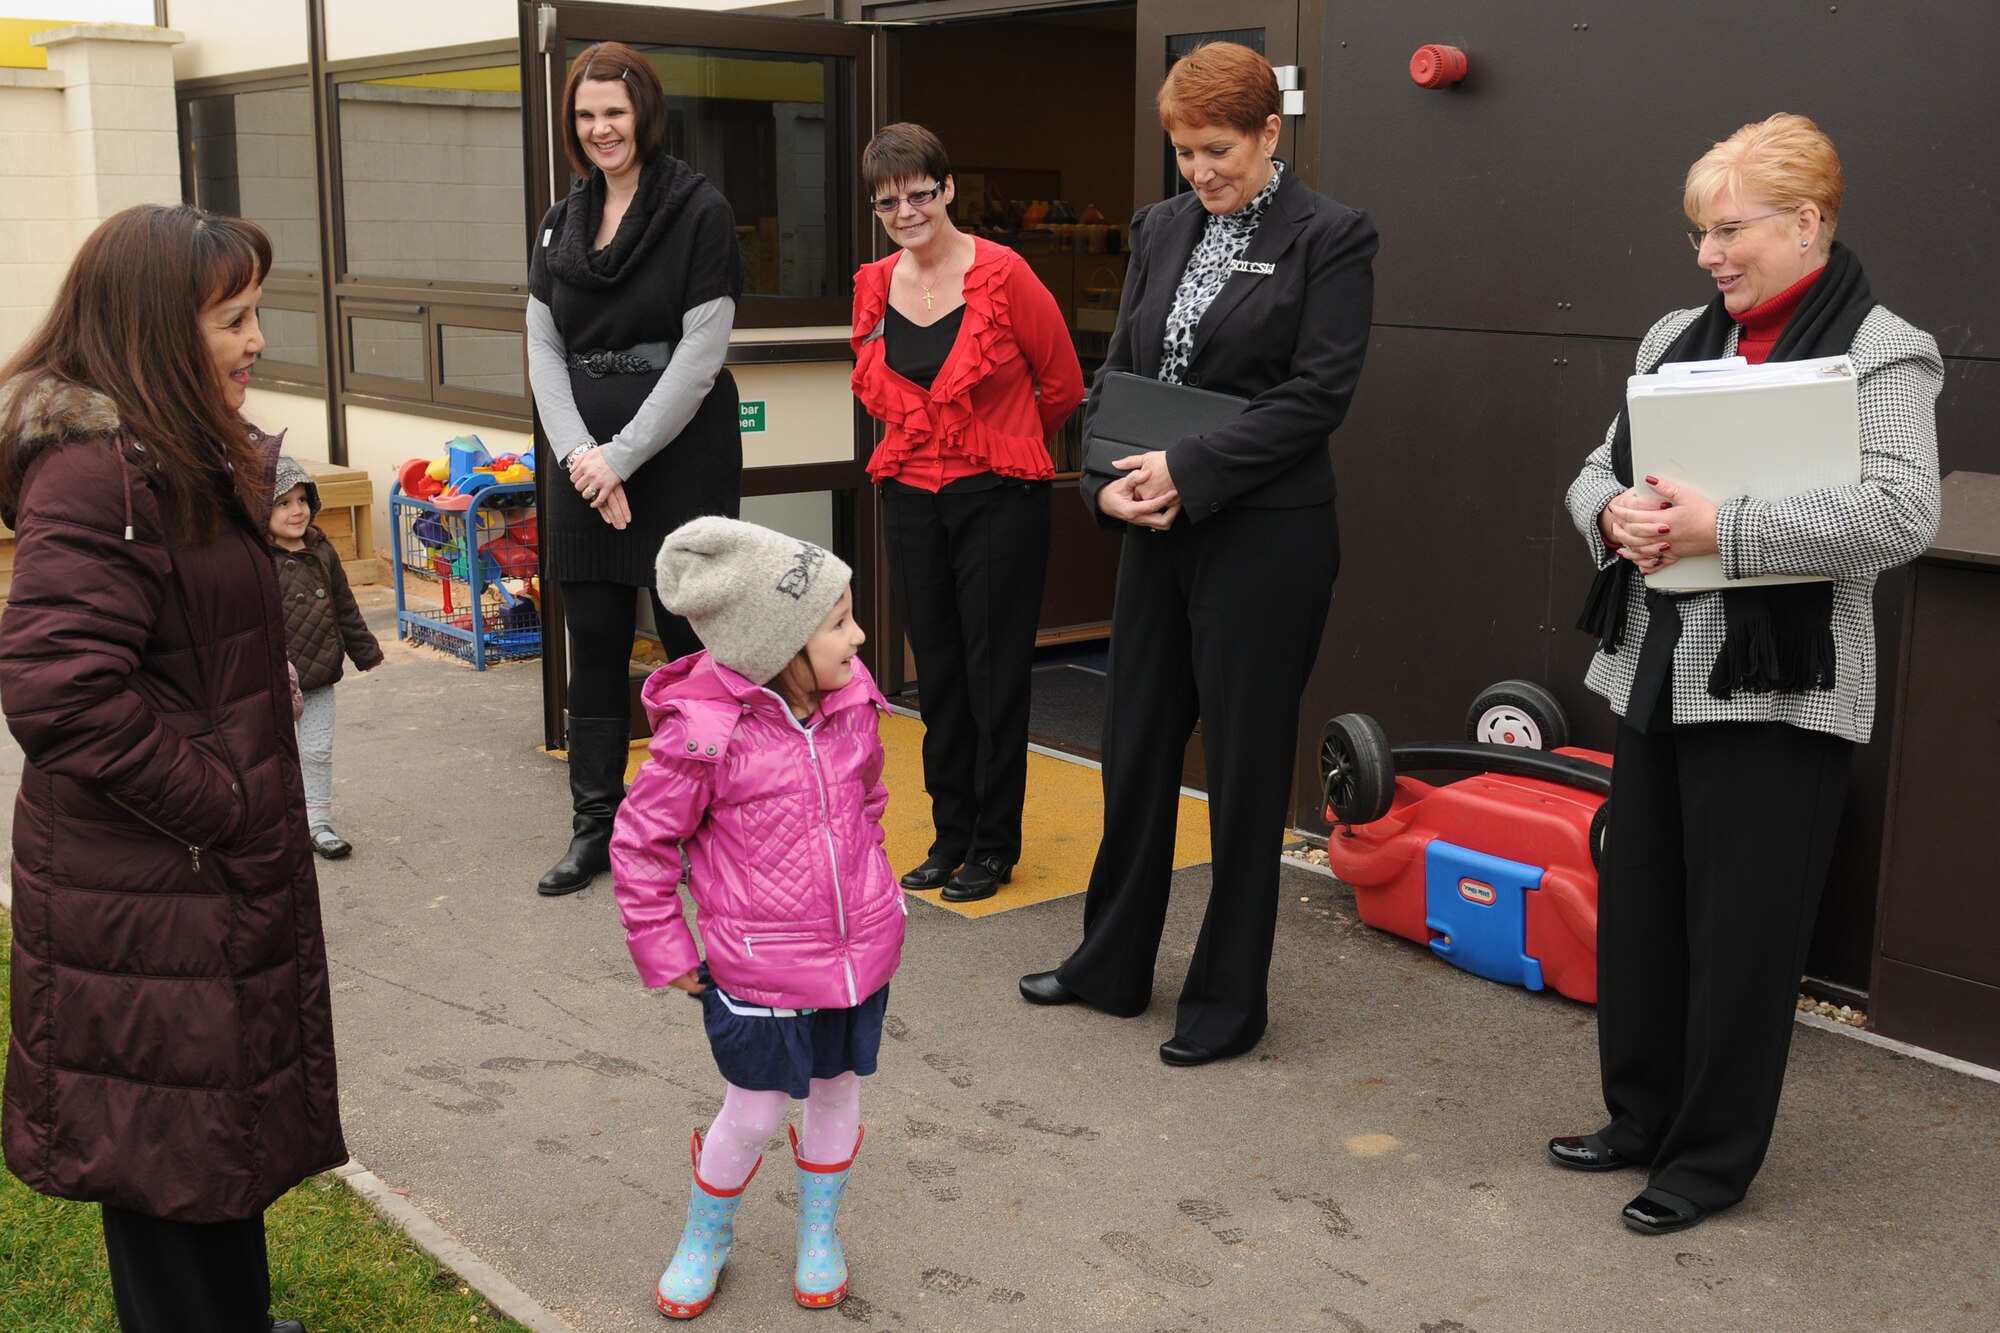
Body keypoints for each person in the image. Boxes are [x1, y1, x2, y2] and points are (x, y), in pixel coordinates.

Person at [1553, 114, 1942, 1236]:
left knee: (1743, 930)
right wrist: (1611, 512)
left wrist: (1731, 524)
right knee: (1642, 908)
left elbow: (1899, 511)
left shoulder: (1882, 346)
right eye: (1696, 234)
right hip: (1655, 660)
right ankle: (1636, 1118)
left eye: (1728, 231)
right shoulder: (1674, 334)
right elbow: (1594, 470)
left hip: (1783, 684)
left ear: (1806, 222)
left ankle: (1707, 1159)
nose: (1707, 255)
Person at [0, 204, 343, 1333]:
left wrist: (249, 700)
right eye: (231, 318)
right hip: (149, 884)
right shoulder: (100, 477)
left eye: (256, 312)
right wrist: (225, 796)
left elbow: (174, 647)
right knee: (164, 1151)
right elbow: (62, 695)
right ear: (158, 329)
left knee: (209, 1141)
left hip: (188, 876)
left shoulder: (177, 452)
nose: (256, 339)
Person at [1017, 42, 1377, 1066]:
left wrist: (1187, 468)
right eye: (1182, 152)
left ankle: (1226, 1001)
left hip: (1264, 539)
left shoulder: (1332, 236)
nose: (1198, 173)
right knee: (1131, 751)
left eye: (1217, 150)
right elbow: (1121, 367)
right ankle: (1108, 965)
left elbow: (1315, 399)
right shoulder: (1160, 226)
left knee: (1244, 769)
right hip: (1154, 527)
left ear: (1271, 132)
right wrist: (1106, 479)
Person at [610, 517, 904, 1319]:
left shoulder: (852, 700)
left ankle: (819, 1233)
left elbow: (868, 799)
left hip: (854, 956)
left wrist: (875, 880)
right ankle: (706, 1236)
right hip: (759, 966)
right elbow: (642, 843)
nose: (860, 633)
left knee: (838, 1091)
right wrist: (666, 946)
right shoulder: (706, 736)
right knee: (757, 1108)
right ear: (779, 643)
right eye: (839, 621)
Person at [527, 40, 744, 897]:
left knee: (693, 647)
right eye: (585, 115)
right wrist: (582, 457)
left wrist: (618, 457)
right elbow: (543, 346)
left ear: (644, 113)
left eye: (613, 111)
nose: (600, 128)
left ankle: (705, 823)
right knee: (596, 648)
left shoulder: (699, 210)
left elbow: (701, 353)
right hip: (582, 459)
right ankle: (596, 828)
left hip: (678, 455)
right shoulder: (558, 222)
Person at [850, 122, 1084, 903]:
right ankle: (949, 834)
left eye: (920, 194)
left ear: (948, 189)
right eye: (889, 202)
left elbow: (1062, 384)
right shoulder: (877, 284)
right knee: (938, 673)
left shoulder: (1005, 272)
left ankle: (993, 843)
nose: (907, 212)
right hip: (911, 494)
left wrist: (1003, 443)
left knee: (994, 674)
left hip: (999, 497)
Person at [268, 454, 384, 859]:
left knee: (317, 750)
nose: (296, 510)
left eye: (301, 499)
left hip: (316, 671)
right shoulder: (255, 558)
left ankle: (317, 822)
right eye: (282, 503)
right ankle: (276, 820)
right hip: (271, 678)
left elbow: (343, 604)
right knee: (270, 753)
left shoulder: (321, 548)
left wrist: (364, 650)